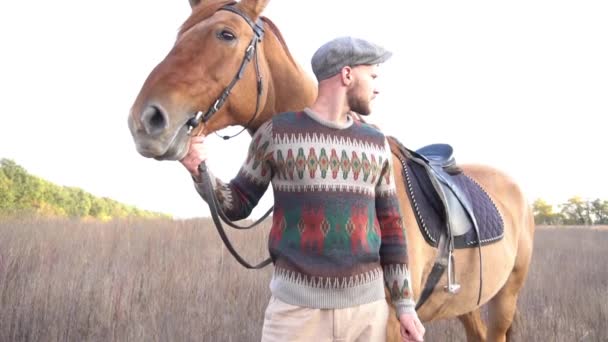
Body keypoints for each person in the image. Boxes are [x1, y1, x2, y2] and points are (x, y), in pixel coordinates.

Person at [180, 36, 425, 342]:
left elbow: (391, 228)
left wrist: (404, 306)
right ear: (347, 75)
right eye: (372, 76)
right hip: (296, 317)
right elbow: (237, 203)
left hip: (367, 315)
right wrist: (198, 170)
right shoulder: (275, 134)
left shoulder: (375, 142)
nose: (377, 87)